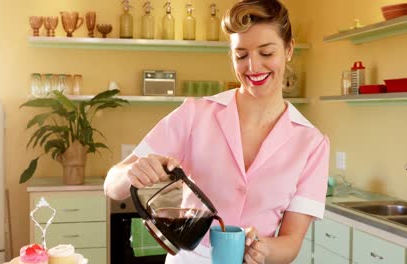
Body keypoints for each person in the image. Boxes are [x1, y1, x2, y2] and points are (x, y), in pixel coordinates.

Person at [104, 0, 329, 263]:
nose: (253, 67)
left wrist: (264, 250)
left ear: (289, 49)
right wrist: (135, 172)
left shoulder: (311, 143)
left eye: (266, 53)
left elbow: (291, 242)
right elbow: (111, 185)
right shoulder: (195, 114)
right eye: (241, 55)